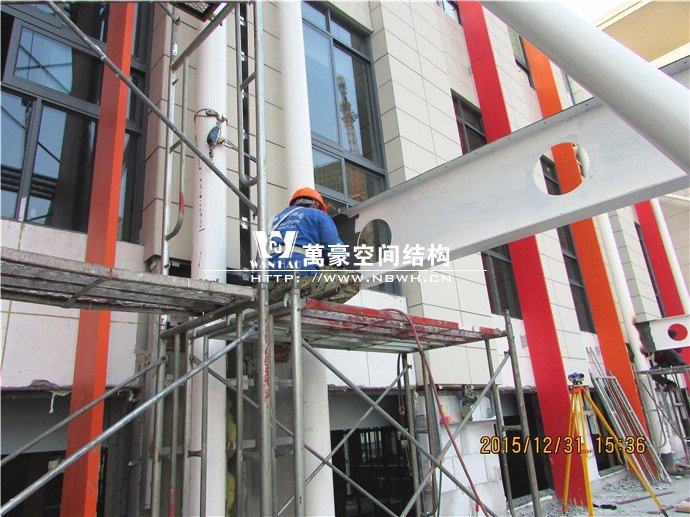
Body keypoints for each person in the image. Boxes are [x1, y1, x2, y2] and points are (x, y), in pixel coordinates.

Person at [265, 187, 359, 304]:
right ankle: (309, 306)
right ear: (316, 205)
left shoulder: (272, 221)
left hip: (266, 287)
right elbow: (337, 254)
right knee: (352, 279)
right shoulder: (318, 215)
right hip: (297, 281)